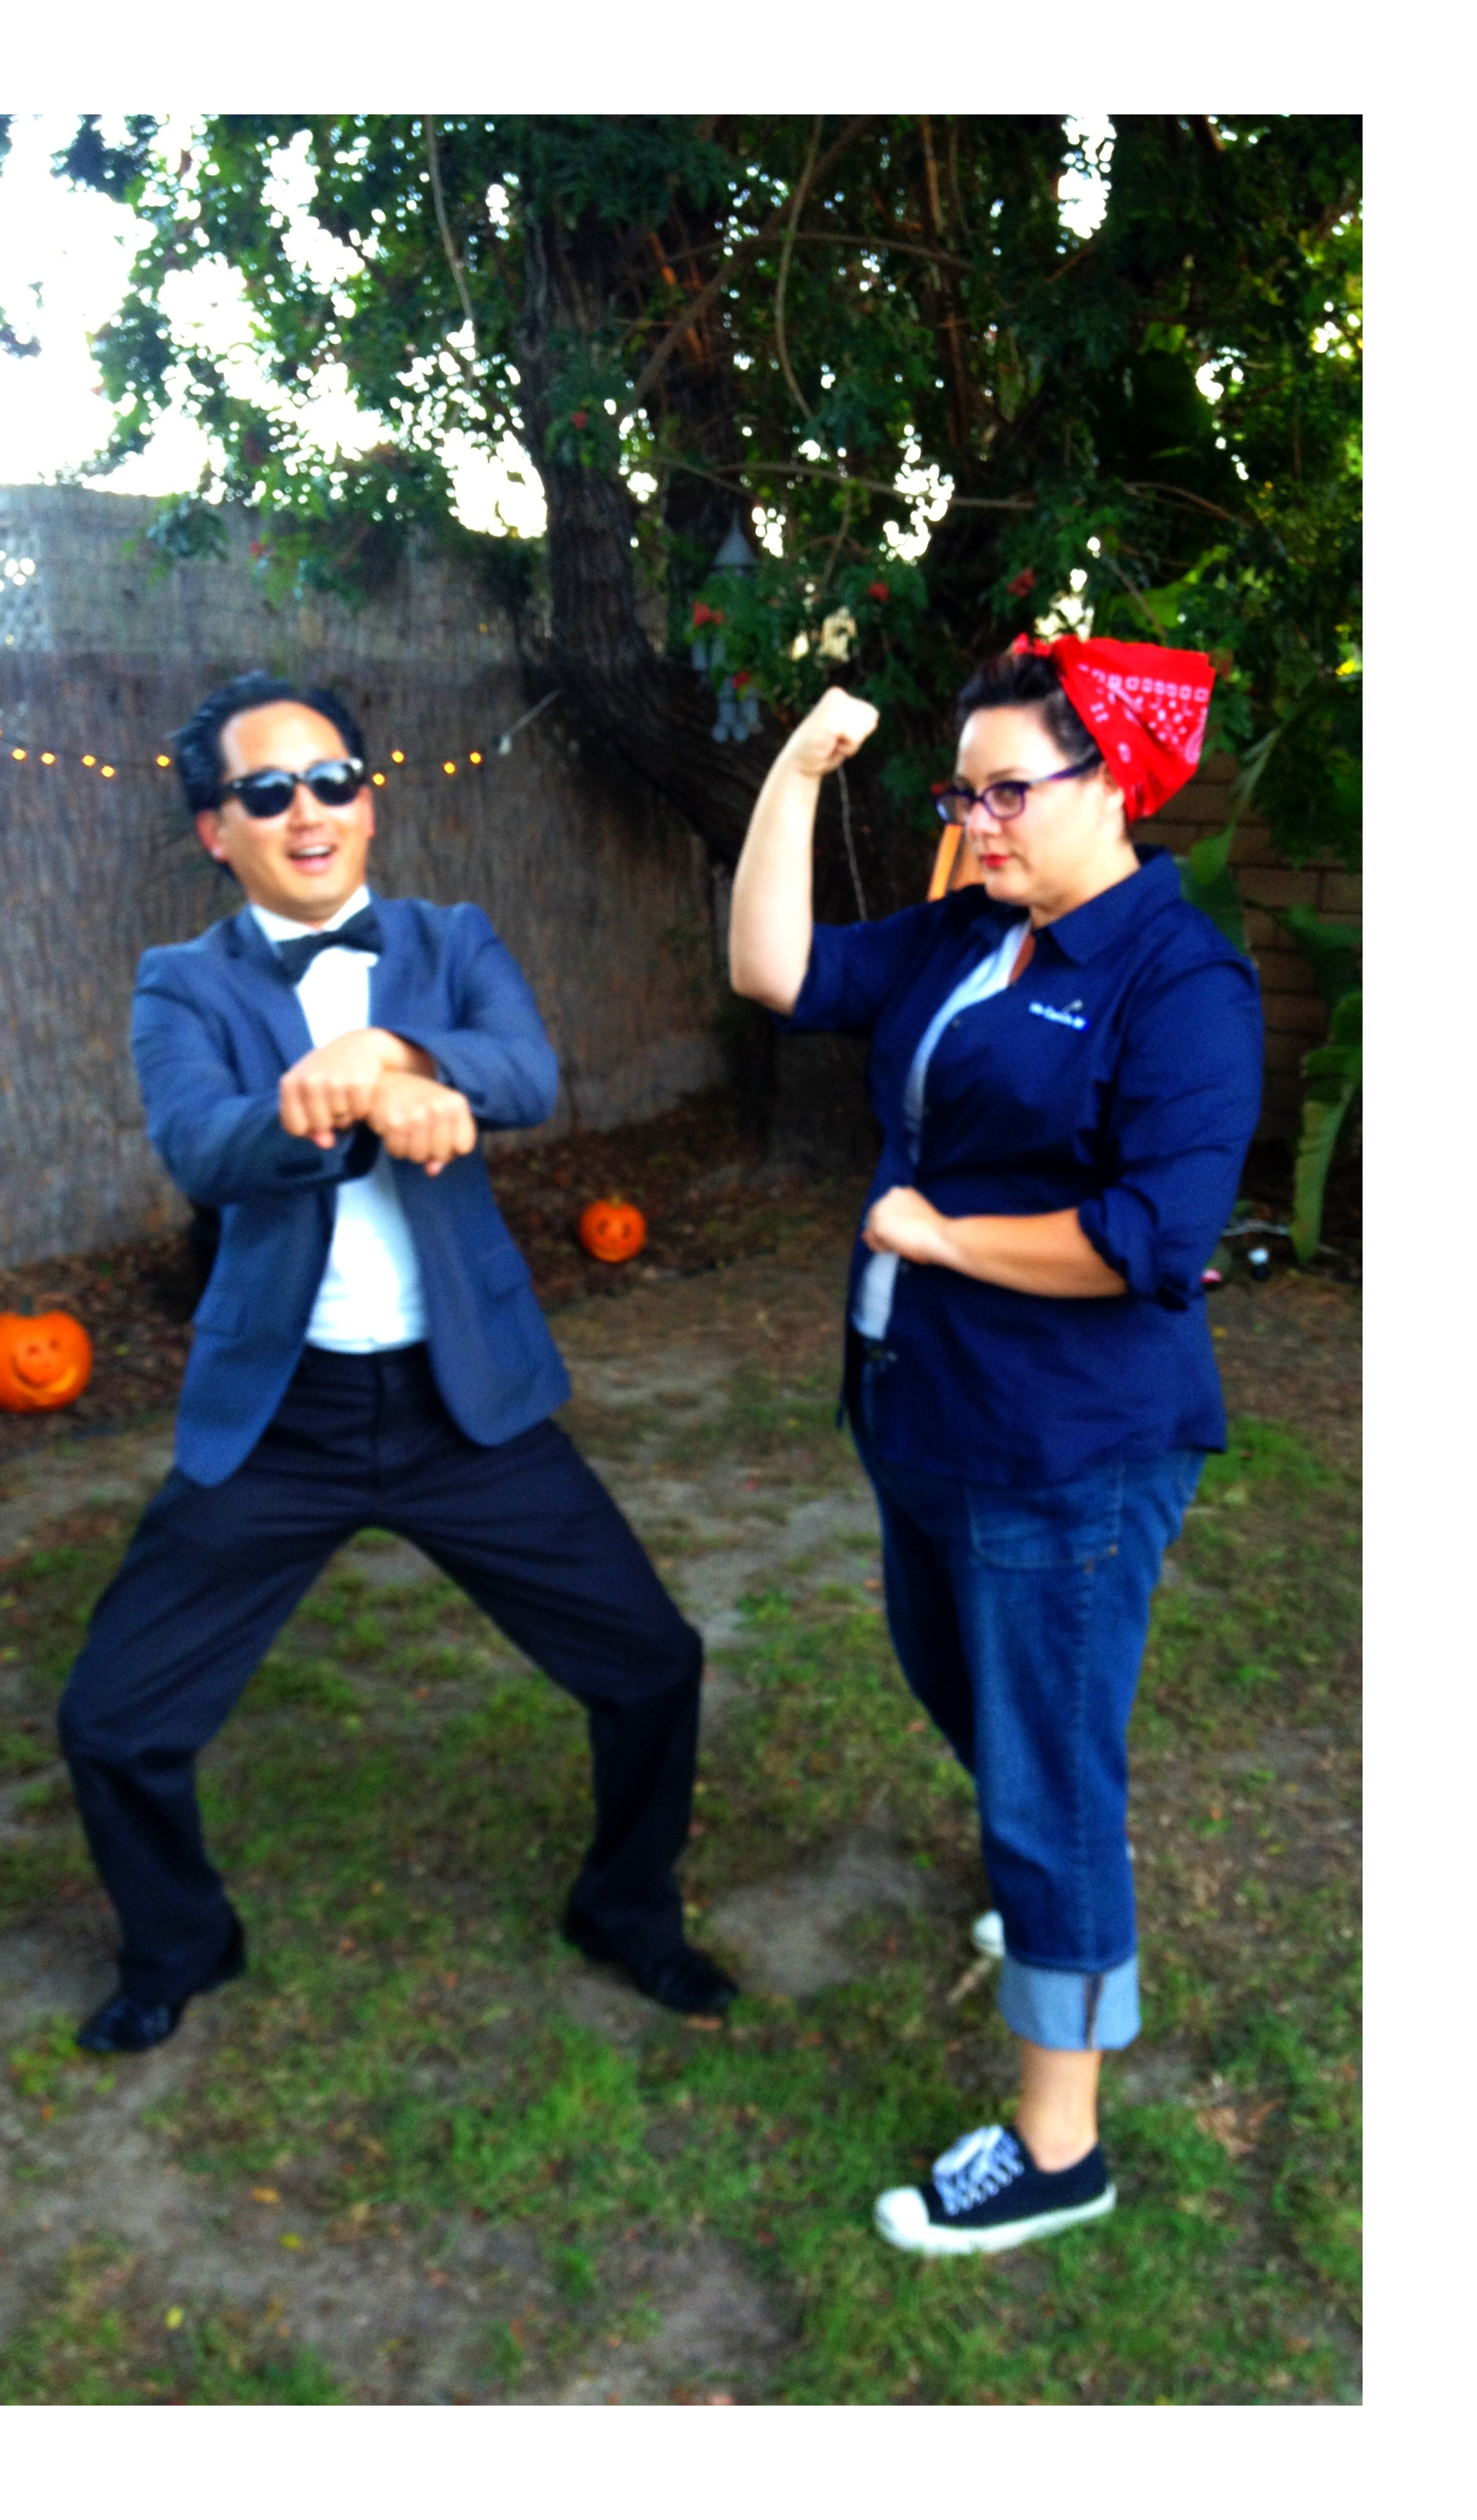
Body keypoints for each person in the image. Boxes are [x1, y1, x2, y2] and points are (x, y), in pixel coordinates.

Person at [60, 670, 737, 2053]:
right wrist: (348, 1102)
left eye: (332, 781)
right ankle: (180, 1942)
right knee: (111, 1718)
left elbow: (526, 1073)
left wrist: (389, 1045)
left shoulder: (450, 938)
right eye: (266, 792)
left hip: (463, 1402)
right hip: (284, 1412)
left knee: (653, 1664)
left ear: (367, 803)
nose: (306, 811)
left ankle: (624, 1908)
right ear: (216, 831)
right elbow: (202, 1146)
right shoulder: (182, 983)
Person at [729, 635, 1261, 2255]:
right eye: (963, 794)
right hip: (924, 1413)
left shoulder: (1180, 981)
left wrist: (943, 1235)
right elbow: (776, 972)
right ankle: (1057, 1901)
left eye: (1010, 790)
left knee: (1045, 1778)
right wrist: (795, 774)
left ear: (1114, 786)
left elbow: (1152, 1237)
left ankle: (1058, 2146)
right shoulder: (972, 930)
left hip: (1064, 1446)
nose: (977, 822)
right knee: (965, 1697)